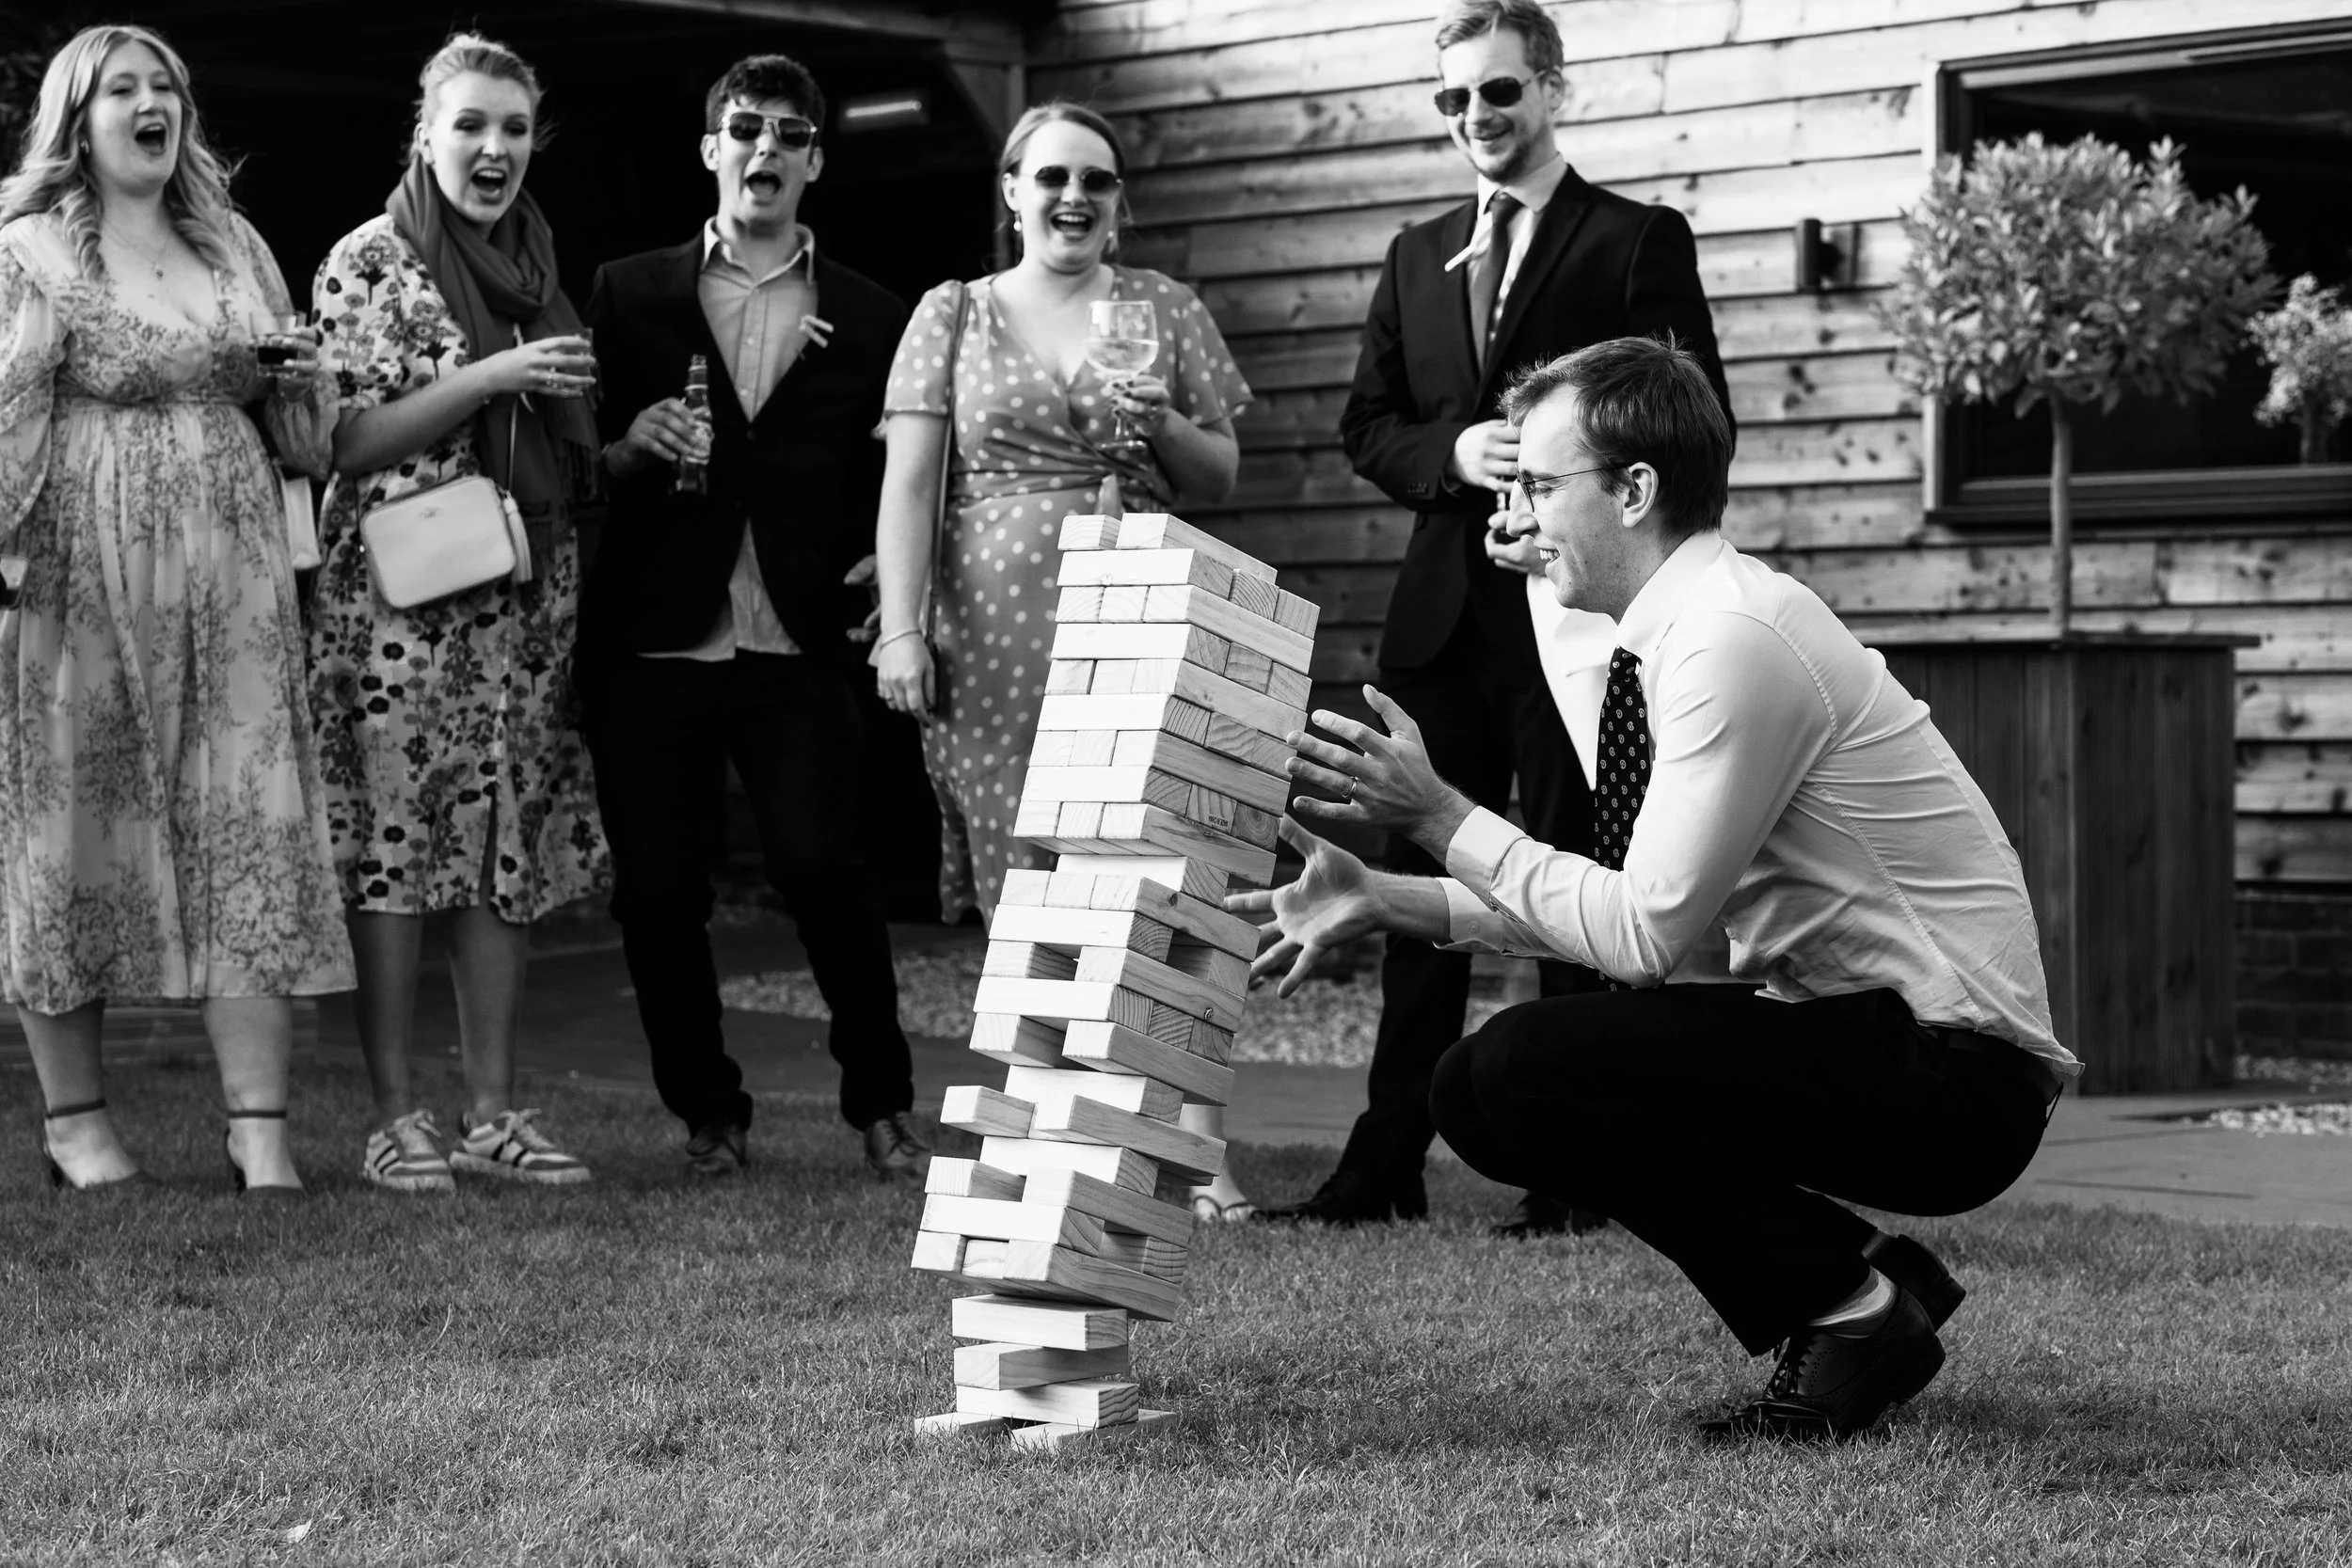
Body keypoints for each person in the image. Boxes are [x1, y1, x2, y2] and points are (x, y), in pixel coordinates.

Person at [1238, 337, 2077, 1441]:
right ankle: (1854, 1291)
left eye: (1540, 485)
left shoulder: (1730, 639)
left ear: (1634, 489)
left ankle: (1852, 1305)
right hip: (1867, 1037)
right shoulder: (1685, 630)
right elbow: (1646, 903)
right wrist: (1396, 898)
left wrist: (1442, 816)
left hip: (1955, 1077)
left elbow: (1642, 938)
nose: (1520, 516)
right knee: (1473, 1091)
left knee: (1524, 1062)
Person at [1275, 0, 1739, 1236]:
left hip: (1578, 623)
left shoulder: (1636, 238)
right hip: (1439, 622)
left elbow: (1695, 419)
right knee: (1425, 881)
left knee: (1577, 878)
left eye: (1499, 92)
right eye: (1455, 99)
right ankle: (1380, 1171)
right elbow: (1367, 424)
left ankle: (1580, 1173)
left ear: (1551, 89)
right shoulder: (1413, 249)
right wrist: (1456, 452)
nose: (1476, 117)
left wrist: (1568, 495)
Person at [871, 102, 1252, 1219]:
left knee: (1162, 872)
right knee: (1026, 882)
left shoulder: (1164, 309)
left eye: (1095, 178)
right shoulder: (952, 314)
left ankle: (1190, 1138)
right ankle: (1061, 1123)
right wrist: (902, 625)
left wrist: (1163, 427)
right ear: (1011, 190)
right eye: (1050, 177)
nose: (1072, 196)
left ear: (1121, 201)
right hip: (991, 632)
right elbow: (908, 485)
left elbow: (1221, 470)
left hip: (1137, 604)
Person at [0, 24, 353, 1193]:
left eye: (167, 88)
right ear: (79, 120)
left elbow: (309, 440)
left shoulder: (236, 243)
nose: (153, 104)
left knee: (249, 816)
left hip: (239, 569)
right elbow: (7, 422)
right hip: (80, 572)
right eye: (125, 89)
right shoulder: (33, 249)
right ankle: (77, 1122)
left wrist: (301, 378)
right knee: (76, 824)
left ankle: (260, 1127)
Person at [579, 54, 924, 1182]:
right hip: (654, 635)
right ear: (710, 149)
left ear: (815, 159)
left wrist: (888, 551)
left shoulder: (876, 313)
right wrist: (628, 447)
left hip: (801, 636)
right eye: (744, 128)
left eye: (788, 132)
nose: (763, 148)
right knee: (662, 891)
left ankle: (881, 1107)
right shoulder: (628, 291)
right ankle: (709, 1115)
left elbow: (908, 464)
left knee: (827, 870)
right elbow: (585, 461)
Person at [309, 33, 605, 1193]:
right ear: (424, 134)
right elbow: (342, 440)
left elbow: (548, 441)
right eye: (471, 124)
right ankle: (396, 1116)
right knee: (394, 848)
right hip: (399, 606)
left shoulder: (534, 261)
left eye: (515, 128)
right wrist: (492, 377)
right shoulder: (369, 261)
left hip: (521, 607)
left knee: (500, 851)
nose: (494, 149)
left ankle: (492, 1112)